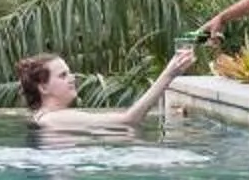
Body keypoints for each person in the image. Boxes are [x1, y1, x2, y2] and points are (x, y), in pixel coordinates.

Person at [16, 45, 199, 135]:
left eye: (70, 73)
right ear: (43, 87)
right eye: (63, 76)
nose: (72, 79)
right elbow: (129, 120)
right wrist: (169, 74)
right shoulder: (54, 118)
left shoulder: (42, 117)